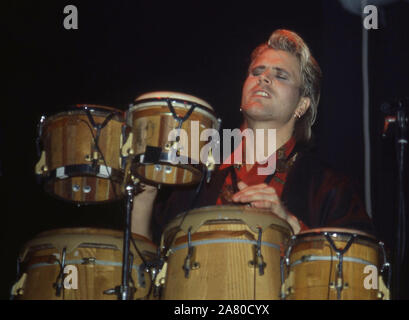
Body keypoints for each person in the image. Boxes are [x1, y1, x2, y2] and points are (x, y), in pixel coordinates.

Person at [131, 29, 373, 244]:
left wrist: (292, 226)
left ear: (301, 105)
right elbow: (146, 276)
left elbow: (359, 274)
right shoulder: (198, 182)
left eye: (281, 75)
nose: (263, 77)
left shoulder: (329, 187)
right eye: (257, 71)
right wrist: (144, 198)